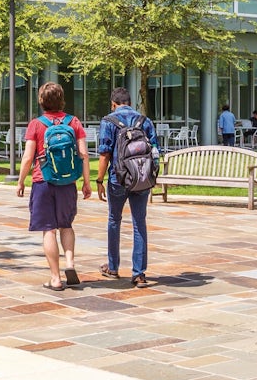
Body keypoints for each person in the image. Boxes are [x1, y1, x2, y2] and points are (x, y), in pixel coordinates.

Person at [16, 81, 91, 292]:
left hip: (43, 181)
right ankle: (70, 264)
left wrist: (21, 181)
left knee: (48, 230)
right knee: (66, 225)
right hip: (68, 182)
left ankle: (56, 278)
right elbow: (84, 155)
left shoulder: (36, 124)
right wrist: (86, 182)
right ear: (62, 99)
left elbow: (28, 156)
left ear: (41, 101)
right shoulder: (73, 122)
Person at [97, 87, 159, 288]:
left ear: (113, 103)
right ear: (129, 102)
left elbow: (105, 154)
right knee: (139, 222)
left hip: (118, 178)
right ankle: (139, 273)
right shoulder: (144, 121)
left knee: (114, 219)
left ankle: (113, 267)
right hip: (141, 178)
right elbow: (155, 151)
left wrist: (99, 180)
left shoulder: (109, 121)